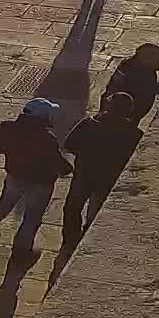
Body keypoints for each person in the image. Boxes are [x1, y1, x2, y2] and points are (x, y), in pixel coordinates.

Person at [0, 98, 70, 257]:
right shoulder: (46, 139)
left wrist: (12, 151)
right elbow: (60, 165)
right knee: (32, 217)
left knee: (2, 208)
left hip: (14, 177)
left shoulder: (7, 128)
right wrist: (67, 169)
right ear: (41, 117)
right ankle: (21, 251)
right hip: (40, 183)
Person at [60, 91, 143, 249]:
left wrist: (85, 153)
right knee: (98, 211)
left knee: (73, 208)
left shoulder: (89, 124)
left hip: (84, 173)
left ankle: (70, 241)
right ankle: (88, 239)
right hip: (109, 177)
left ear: (109, 106)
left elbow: (69, 144)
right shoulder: (134, 133)